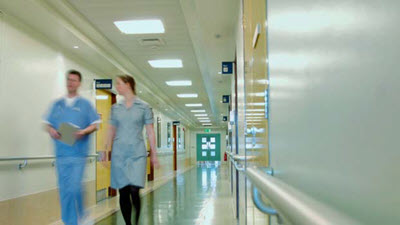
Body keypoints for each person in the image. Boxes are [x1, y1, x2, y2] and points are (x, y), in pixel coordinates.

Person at [44, 70, 100, 225]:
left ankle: (82, 214)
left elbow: (95, 125)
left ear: (79, 83)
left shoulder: (85, 105)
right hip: (61, 154)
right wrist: (52, 130)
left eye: (74, 80)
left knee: (75, 187)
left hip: (78, 154)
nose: (70, 82)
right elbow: (48, 124)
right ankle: (70, 222)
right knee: (64, 191)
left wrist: (83, 131)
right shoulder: (57, 104)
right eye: (68, 80)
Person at [106, 75, 159, 225]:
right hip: (119, 154)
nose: (117, 86)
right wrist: (105, 150)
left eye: (119, 83)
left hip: (137, 154)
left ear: (128, 84)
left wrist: (154, 153)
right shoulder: (115, 108)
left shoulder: (144, 107)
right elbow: (110, 130)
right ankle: (128, 223)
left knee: (135, 190)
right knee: (123, 191)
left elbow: (150, 132)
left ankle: (135, 222)